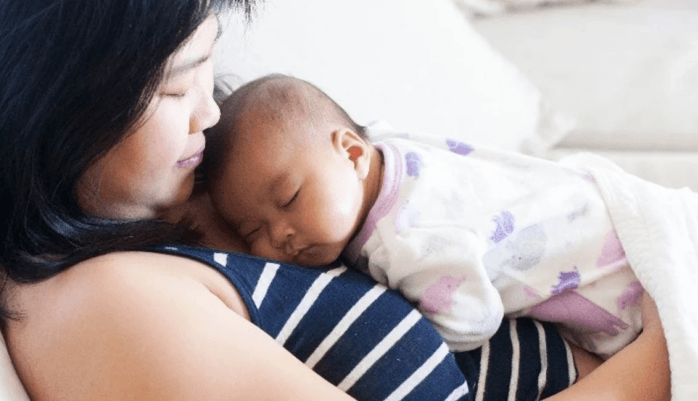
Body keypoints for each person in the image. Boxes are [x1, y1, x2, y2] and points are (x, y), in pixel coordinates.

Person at [0, 0, 668, 400]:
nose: (212, 111)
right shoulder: (102, 308)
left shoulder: (186, 194)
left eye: (207, 72)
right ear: (47, 106)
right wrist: (669, 340)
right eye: (175, 90)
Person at [205, 74, 671, 383]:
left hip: (614, 277)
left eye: (289, 199)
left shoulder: (401, 242)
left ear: (350, 152)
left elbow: (473, 319)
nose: (279, 235)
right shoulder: (389, 148)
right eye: (252, 232)